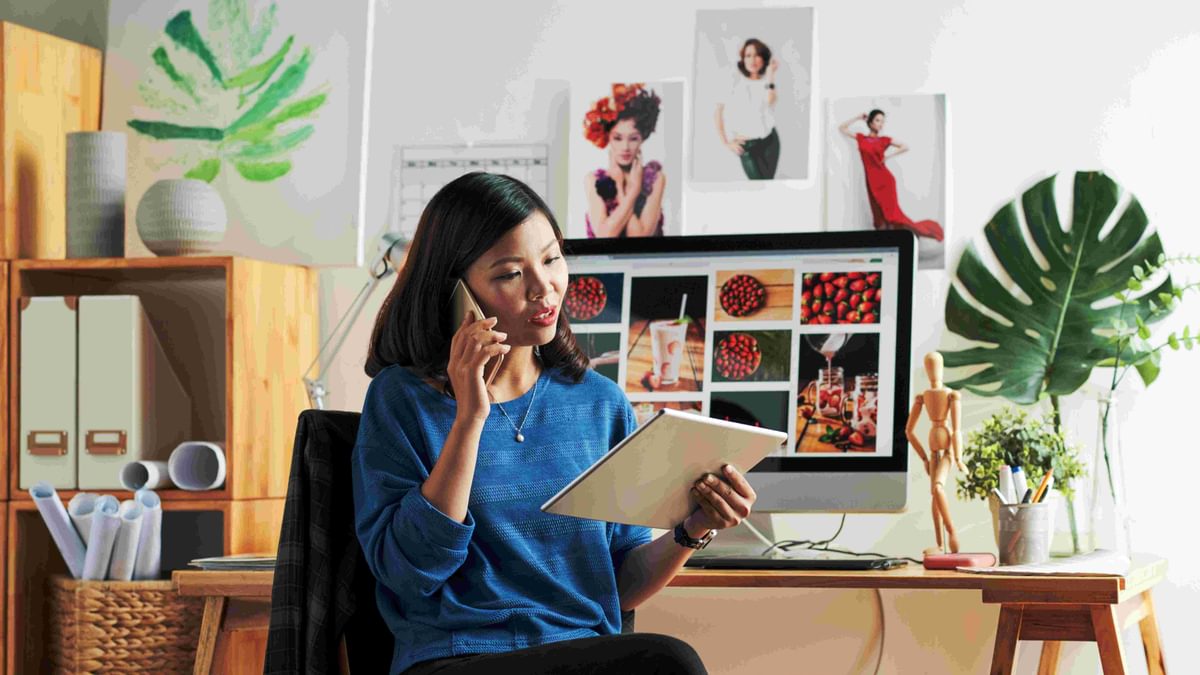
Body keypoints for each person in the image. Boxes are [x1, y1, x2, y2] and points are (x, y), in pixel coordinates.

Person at [355, 172, 757, 674]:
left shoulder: (600, 403)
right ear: (459, 292)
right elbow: (408, 571)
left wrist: (695, 526)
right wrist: (469, 419)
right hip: (456, 657)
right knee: (668, 662)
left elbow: (620, 586)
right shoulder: (402, 399)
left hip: (577, 654)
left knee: (663, 659)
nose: (544, 288)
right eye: (509, 274)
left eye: (551, 259)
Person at [838, 109, 944, 241]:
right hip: (871, 182)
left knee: (892, 216)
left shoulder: (884, 140)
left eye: (882, 121)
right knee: (878, 216)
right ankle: (885, 244)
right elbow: (842, 128)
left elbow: (905, 146)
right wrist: (858, 117)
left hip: (885, 181)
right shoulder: (861, 138)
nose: (881, 124)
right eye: (877, 120)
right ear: (870, 122)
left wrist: (888, 156)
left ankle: (915, 234)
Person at [583, 83, 666, 237]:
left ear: (643, 138)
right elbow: (604, 237)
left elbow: (639, 238)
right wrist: (623, 188)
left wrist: (628, 192)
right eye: (618, 138)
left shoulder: (655, 178)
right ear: (608, 138)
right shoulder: (593, 180)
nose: (625, 147)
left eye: (633, 138)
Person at [715, 38, 780, 180]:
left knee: (770, 186)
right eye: (748, 55)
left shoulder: (766, 82)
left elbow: (770, 100)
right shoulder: (733, 79)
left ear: (763, 58)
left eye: (757, 55)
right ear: (743, 59)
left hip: (770, 142)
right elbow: (718, 112)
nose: (752, 60)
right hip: (747, 146)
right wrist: (726, 142)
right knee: (758, 187)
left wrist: (770, 76)